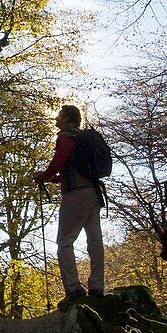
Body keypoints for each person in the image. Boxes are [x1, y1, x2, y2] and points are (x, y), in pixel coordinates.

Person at [33, 104, 104, 305]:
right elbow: (73, 168)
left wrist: (44, 176)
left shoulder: (66, 137)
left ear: (67, 119)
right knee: (95, 241)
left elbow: (59, 161)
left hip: (75, 195)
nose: (56, 119)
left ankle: (73, 289)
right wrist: (55, 179)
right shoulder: (84, 140)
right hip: (93, 193)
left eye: (59, 116)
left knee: (64, 242)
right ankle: (97, 286)